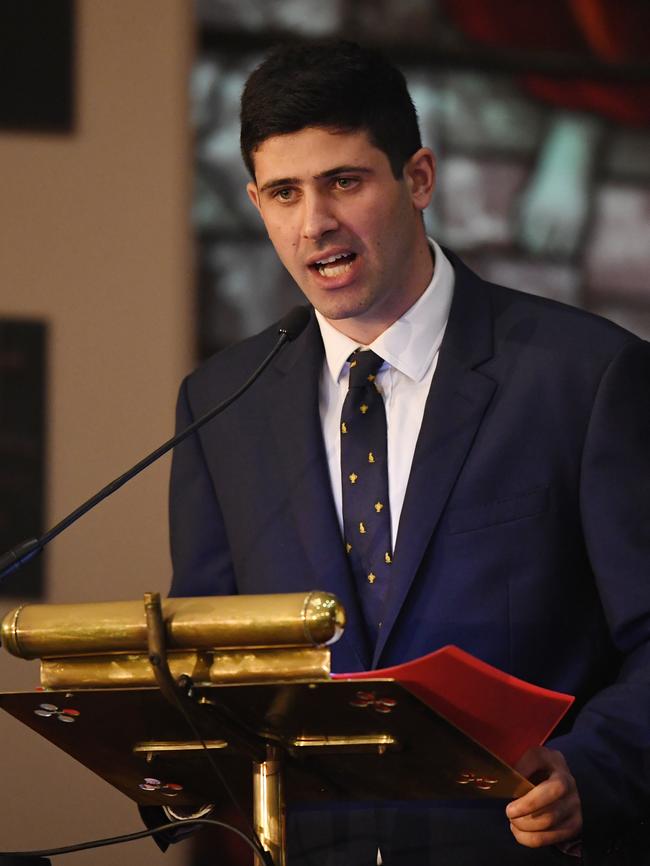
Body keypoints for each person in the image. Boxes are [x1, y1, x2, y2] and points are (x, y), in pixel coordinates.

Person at [165, 40, 650, 865]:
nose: (314, 222)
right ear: (256, 203)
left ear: (418, 178)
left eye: (343, 182)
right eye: (284, 193)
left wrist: (586, 771)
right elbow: (209, 663)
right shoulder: (220, 405)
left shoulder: (586, 376)